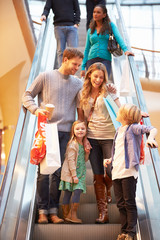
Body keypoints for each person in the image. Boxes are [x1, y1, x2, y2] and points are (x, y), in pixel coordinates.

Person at [22, 48, 84, 224]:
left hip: (66, 132)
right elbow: (27, 96)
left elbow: (81, 108)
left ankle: (53, 211)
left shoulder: (78, 83)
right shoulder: (45, 76)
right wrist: (36, 110)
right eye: (74, 64)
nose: (77, 68)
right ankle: (42, 211)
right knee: (44, 172)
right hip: (48, 130)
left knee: (58, 174)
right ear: (64, 59)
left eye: (79, 65)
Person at [104, 103, 158, 240]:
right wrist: (110, 159)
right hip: (117, 172)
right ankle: (123, 231)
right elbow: (119, 149)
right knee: (120, 204)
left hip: (128, 172)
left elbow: (152, 129)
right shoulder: (119, 130)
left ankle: (131, 232)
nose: (117, 113)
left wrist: (150, 139)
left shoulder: (133, 128)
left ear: (126, 116)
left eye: (120, 111)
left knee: (129, 202)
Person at [78, 62, 121, 224]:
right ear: (89, 75)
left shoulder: (109, 90)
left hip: (109, 136)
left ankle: (108, 188)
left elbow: (120, 110)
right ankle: (103, 213)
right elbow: (81, 119)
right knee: (97, 175)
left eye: (101, 77)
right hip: (92, 137)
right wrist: (83, 139)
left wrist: (137, 115)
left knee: (111, 171)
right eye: (95, 76)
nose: (98, 79)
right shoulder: (82, 93)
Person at [81, 4, 134, 78]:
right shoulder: (90, 30)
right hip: (91, 60)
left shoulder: (110, 26)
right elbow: (87, 49)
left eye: (98, 12)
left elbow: (118, 37)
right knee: (91, 85)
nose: (95, 14)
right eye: (94, 12)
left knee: (103, 82)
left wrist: (125, 50)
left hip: (105, 60)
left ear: (104, 15)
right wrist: (83, 67)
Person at [59, 120, 90, 224]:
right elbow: (70, 161)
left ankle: (71, 214)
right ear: (73, 131)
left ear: (86, 130)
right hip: (71, 173)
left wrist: (87, 153)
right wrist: (74, 175)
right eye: (77, 129)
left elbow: (85, 160)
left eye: (82, 129)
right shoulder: (72, 144)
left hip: (81, 172)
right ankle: (69, 215)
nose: (80, 130)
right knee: (69, 192)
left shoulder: (83, 143)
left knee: (77, 190)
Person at [40, 0, 80, 67]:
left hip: (71, 27)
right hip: (58, 27)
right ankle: (62, 70)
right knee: (60, 51)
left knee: (73, 51)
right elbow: (47, 8)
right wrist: (44, 15)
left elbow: (77, 10)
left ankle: (72, 69)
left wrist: (77, 23)